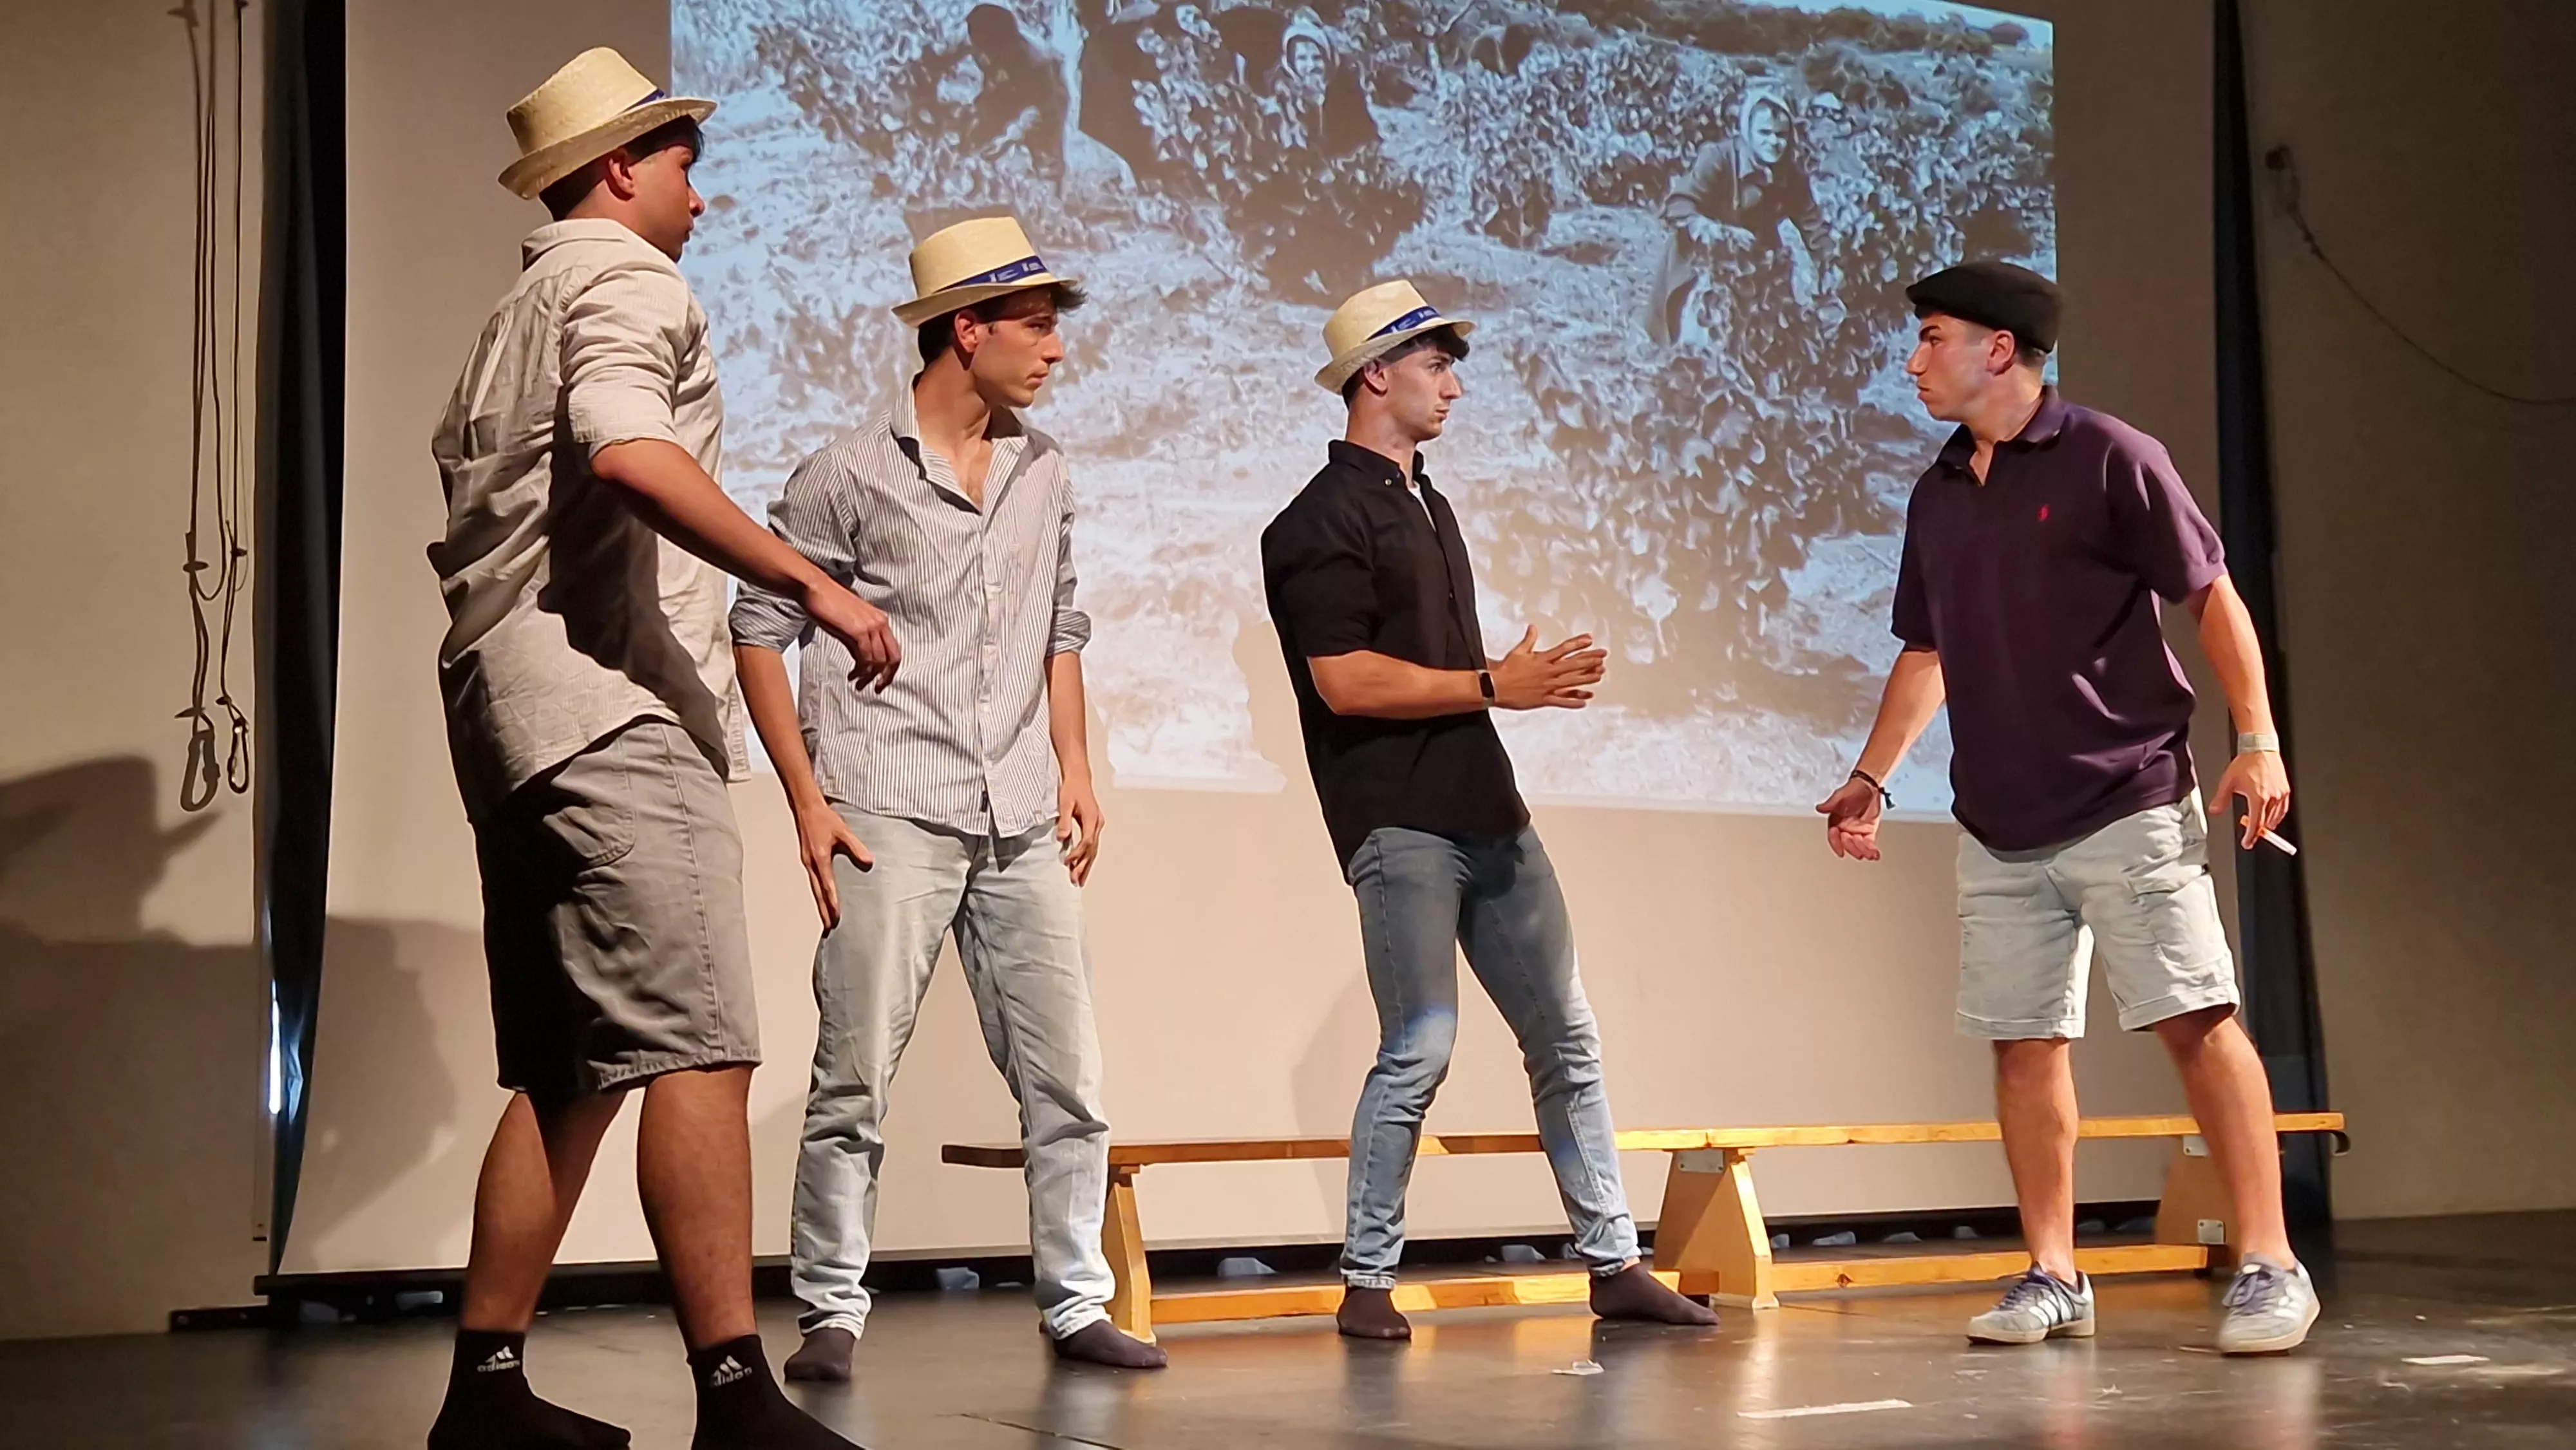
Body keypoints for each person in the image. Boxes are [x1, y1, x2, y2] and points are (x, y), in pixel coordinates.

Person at [426, 48, 880, 1450]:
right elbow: (628, 447)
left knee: (570, 1063)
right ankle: (737, 1398)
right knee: (698, 1043)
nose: (705, 193)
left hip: (515, 722)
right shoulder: (628, 280)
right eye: (684, 162)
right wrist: (810, 582)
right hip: (613, 709)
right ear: (622, 168)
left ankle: (485, 1390)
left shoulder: (517, 305)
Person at [1815, 261, 2320, 1356]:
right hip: (2001, 817)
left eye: (1932, 338)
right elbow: (1928, 648)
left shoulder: (2109, 455)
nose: (1913, 360)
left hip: (2126, 795)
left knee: (2196, 1016)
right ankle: (2054, 1269)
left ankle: (2272, 1259)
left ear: (1999, 348)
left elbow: (2212, 595)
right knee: (2023, 1043)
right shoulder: (1939, 490)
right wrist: (1872, 772)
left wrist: (2259, 738)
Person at [730, 216, 1166, 1380]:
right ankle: (831, 1306)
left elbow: (1059, 629)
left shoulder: (1046, 469)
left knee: (1064, 1074)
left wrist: (1076, 766)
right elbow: (760, 629)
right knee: (857, 1070)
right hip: (889, 801)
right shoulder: (846, 475)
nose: (1056, 350)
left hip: (1018, 809)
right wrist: (806, 800)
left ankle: (1077, 1299)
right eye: (1036, 326)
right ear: (965, 329)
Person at [1260, 280, 1721, 1342]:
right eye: (1436, 366)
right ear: (1377, 374)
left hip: (1489, 812)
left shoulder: (1430, 500)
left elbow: (1430, 667)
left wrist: (1499, 679)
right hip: (1399, 818)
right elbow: (1344, 680)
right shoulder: (1315, 522)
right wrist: (1490, 686)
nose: (1453, 386)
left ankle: (1614, 1260)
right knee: (1419, 1044)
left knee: (1567, 1033)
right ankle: (1367, 1278)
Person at [1645, 80, 1828, 347]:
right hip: (1702, 256)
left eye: (1781, 135)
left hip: (1758, 257)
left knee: (1767, 339)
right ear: (1747, 132)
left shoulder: (1792, 175)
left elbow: (1814, 228)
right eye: (1765, 133)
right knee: (1698, 337)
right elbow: (1677, 204)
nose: (1774, 142)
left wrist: (1830, 264)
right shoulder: (1718, 158)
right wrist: (1710, 230)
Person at [959, 4, 1070, 182]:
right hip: (1016, 99)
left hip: (1039, 103)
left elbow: (1036, 108)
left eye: (975, 39)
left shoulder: (1033, 65)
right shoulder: (999, 52)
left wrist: (1007, 136)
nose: (974, 44)